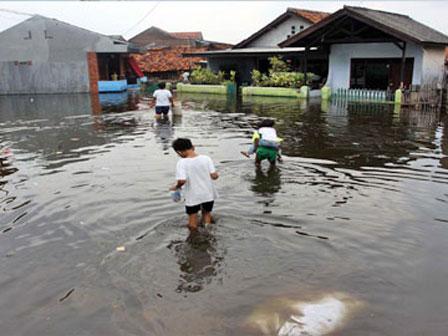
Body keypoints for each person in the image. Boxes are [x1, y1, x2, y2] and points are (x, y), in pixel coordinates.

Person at [170, 138, 219, 232]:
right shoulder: (206, 158)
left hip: (193, 196)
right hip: (208, 194)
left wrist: (176, 187)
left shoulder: (182, 162)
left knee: (192, 220)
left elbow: (182, 180)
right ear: (193, 147)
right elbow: (214, 176)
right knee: (207, 214)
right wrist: (216, 175)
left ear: (179, 152)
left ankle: (194, 238)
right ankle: (208, 233)